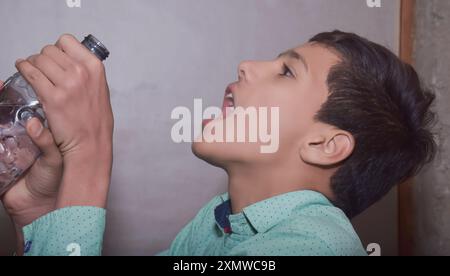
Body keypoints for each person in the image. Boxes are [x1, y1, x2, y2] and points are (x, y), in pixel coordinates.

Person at [0, 30, 436, 256]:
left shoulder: (314, 248)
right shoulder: (219, 220)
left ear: (325, 145)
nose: (247, 65)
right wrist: (36, 211)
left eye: (287, 71)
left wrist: (89, 156)